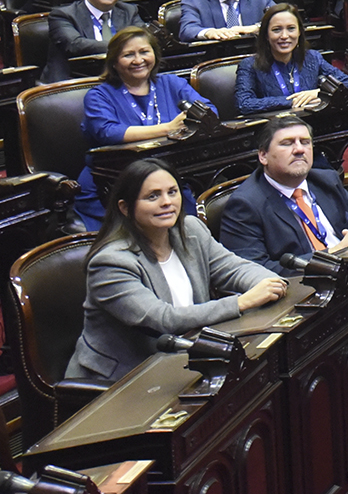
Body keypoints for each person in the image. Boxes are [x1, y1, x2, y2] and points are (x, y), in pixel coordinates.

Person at [62, 158, 287, 384]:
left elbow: (234, 269)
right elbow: (163, 319)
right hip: (122, 378)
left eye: (172, 192)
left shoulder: (190, 230)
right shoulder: (110, 262)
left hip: (184, 357)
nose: (166, 202)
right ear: (125, 207)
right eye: (153, 196)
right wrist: (241, 302)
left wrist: (270, 282)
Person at [72, 30, 214, 227]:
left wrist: (192, 120)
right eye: (128, 55)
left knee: (190, 229)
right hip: (112, 182)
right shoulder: (99, 95)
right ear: (114, 62)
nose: (138, 60)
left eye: (144, 52)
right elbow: (108, 132)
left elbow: (209, 112)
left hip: (168, 177)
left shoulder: (172, 83)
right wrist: (168, 128)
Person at [218, 116, 348, 273]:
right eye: (287, 143)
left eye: (305, 142)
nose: (299, 150)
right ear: (263, 156)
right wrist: (335, 253)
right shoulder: (245, 204)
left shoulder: (327, 180)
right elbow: (254, 270)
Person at [233, 4, 348, 114]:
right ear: (266, 35)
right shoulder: (249, 65)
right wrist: (293, 100)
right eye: (276, 30)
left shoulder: (313, 58)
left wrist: (318, 93)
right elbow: (243, 104)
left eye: (291, 29)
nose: (284, 36)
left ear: (299, 32)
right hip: (275, 130)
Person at [44, 0, 145, 83]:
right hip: (75, 82)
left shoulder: (129, 11)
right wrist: (125, 46)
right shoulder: (63, 15)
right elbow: (75, 45)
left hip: (121, 79)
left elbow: (143, 39)